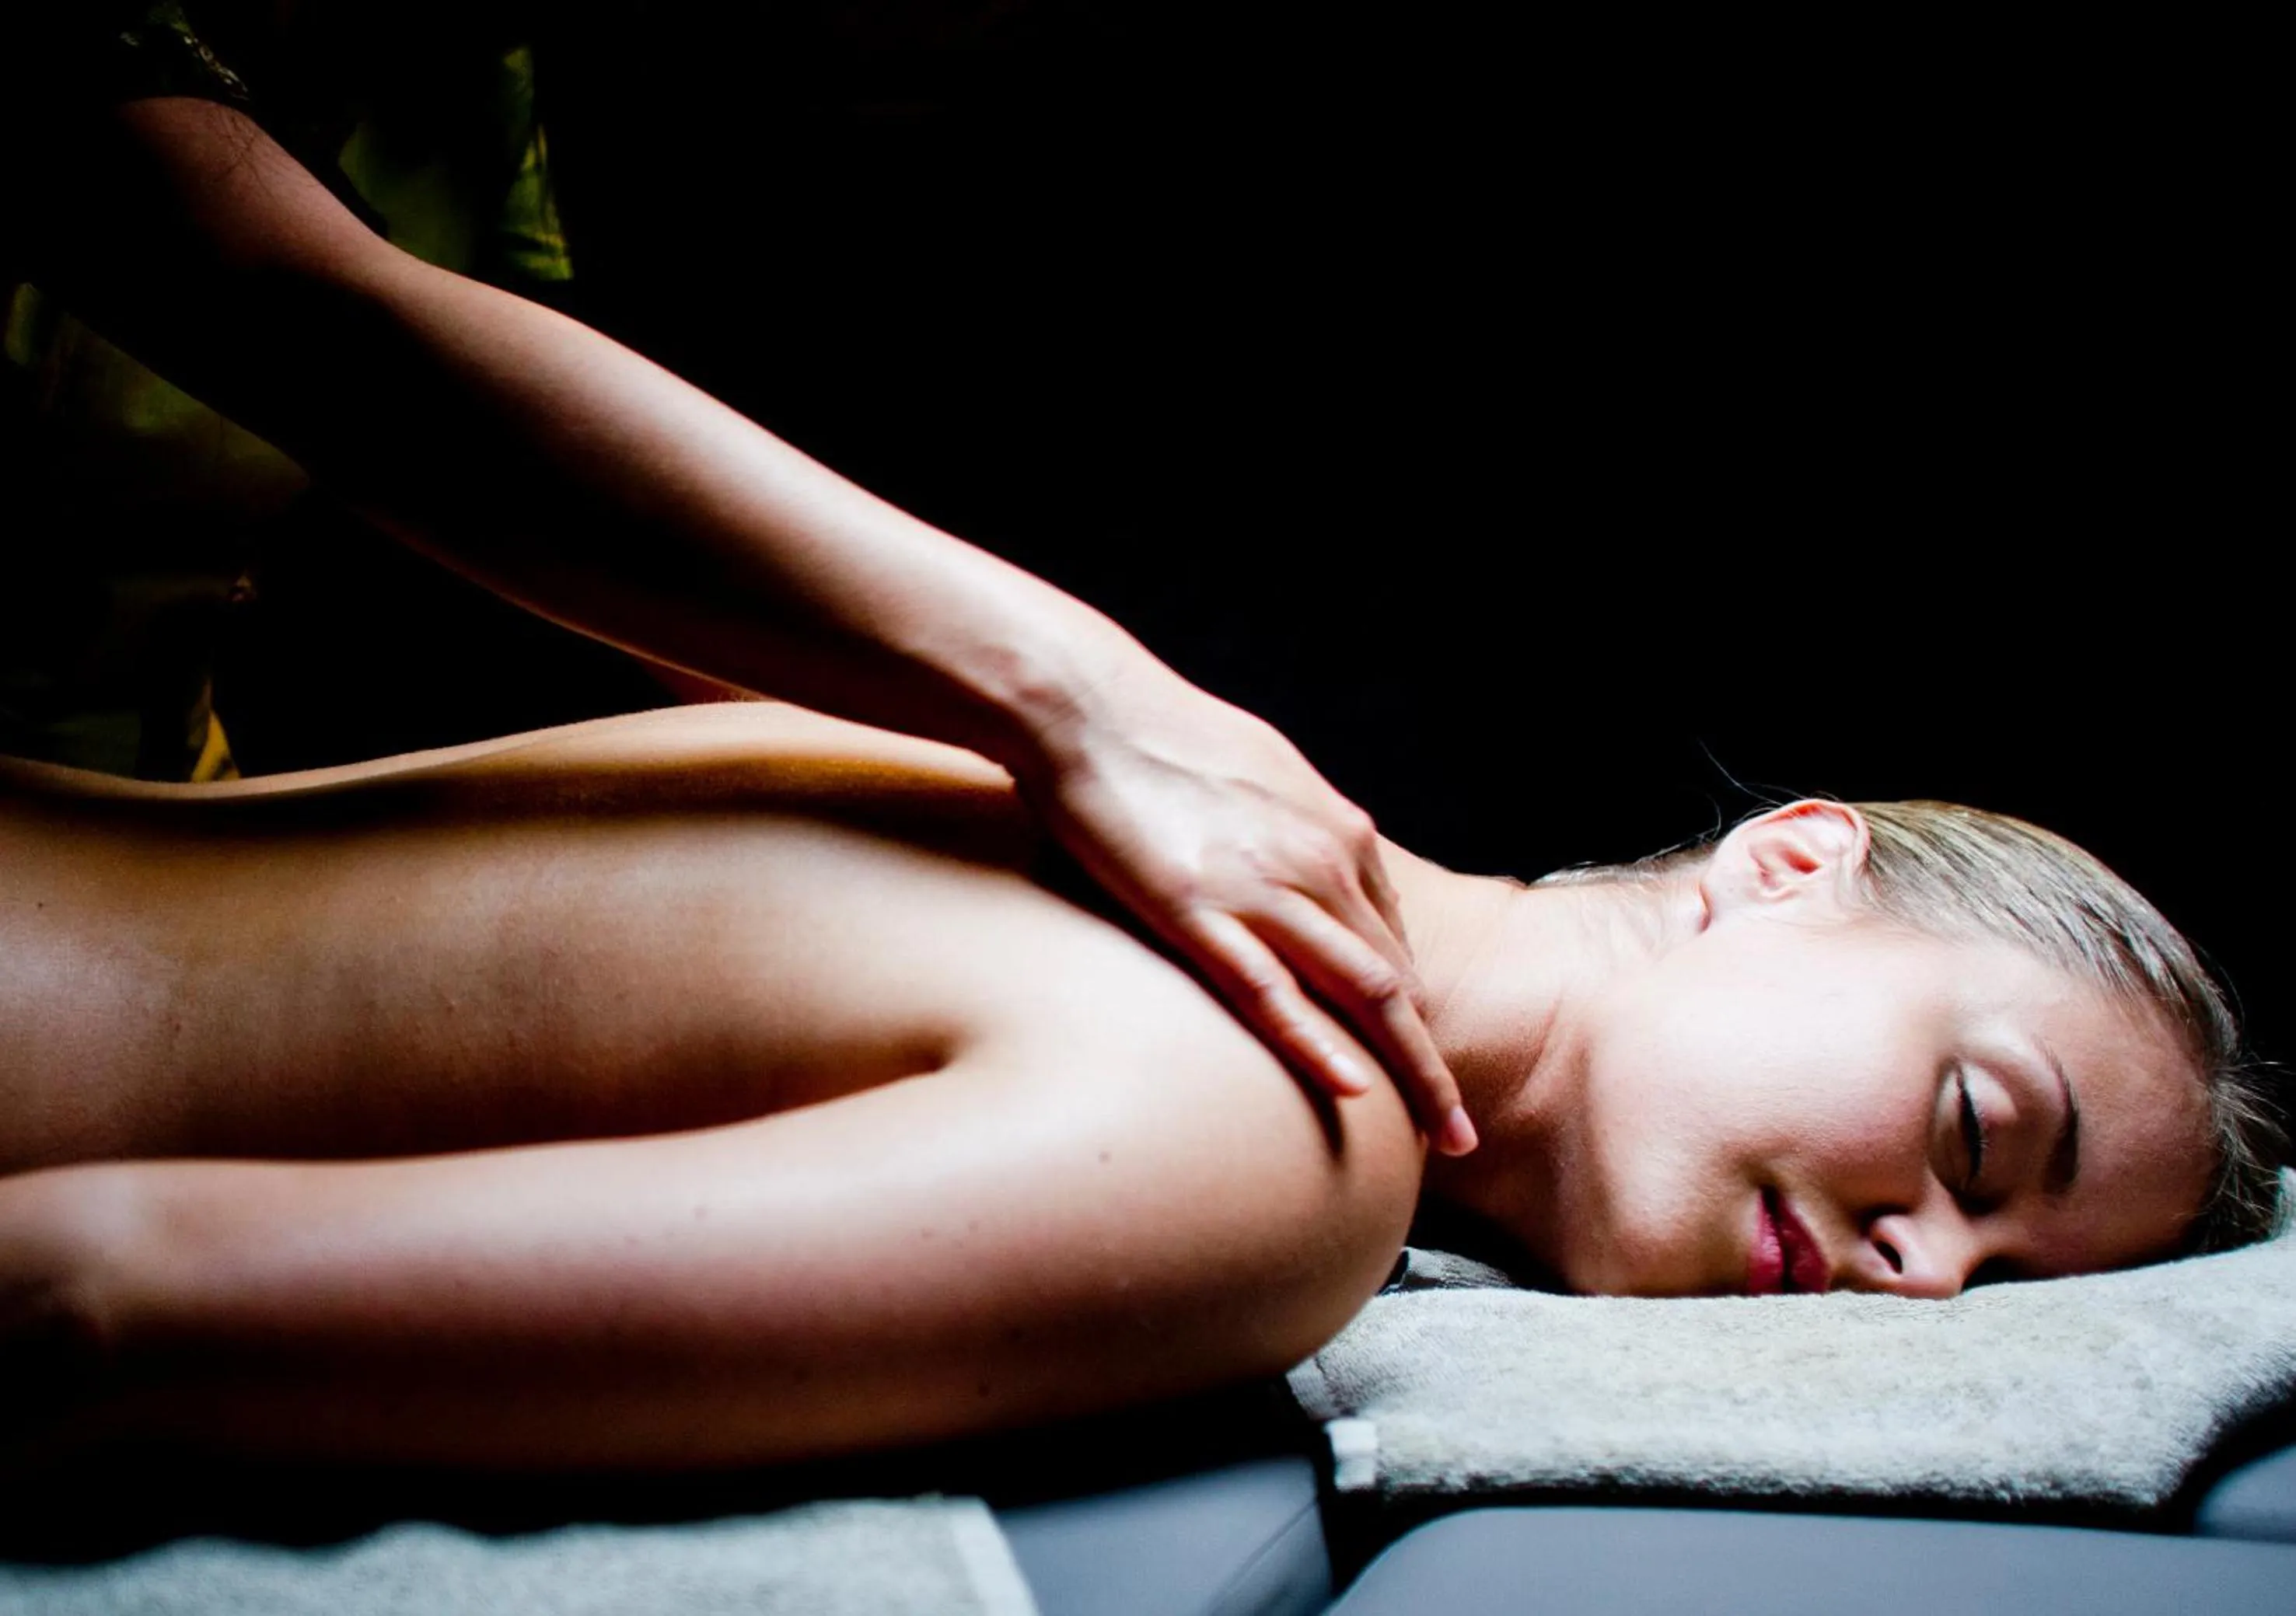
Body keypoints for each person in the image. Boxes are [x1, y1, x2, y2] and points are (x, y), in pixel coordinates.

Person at [0, 701, 2280, 1476]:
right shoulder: (1284, 1132)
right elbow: (93, 1306)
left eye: (1983, 1287)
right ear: (1790, 863)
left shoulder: (1192, 768)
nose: (1918, 1274)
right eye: (1982, 1140)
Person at [2, 4, 1470, 1153]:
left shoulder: (459, 64)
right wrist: (1079, 703)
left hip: (155, 832)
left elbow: (577, 508)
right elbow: (326, 337)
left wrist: (985, 783)